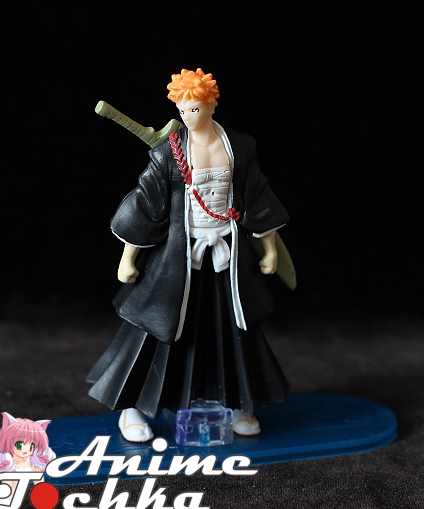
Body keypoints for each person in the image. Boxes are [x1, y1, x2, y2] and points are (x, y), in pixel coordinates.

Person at [86, 68, 290, 442]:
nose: (188, 117)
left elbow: (257, 197)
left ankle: (240, 403)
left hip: (227, 258)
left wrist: (269, 248)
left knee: (232, 332)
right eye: (182, 110)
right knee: (157, 331)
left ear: (211, 104)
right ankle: (132, 409)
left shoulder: (240, 147)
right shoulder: (169, 153)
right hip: (177, 262)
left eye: (194, 109)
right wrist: (128, 258)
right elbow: (146, 206)